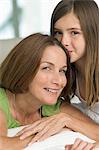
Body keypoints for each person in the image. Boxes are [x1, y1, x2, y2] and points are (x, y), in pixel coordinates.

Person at [18, 0, 99, 149]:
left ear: (92, 33)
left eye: (74, 32)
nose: (64, 41)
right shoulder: (67, 72)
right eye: (58, 33)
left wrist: (68, 121)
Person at [0, 33, 71, 150]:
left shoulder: (50, 105)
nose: (59, 81)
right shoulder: (2, 103)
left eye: (62, 71)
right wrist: (45, 133)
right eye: (46, 68)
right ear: (24, 69)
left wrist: (68, 120)